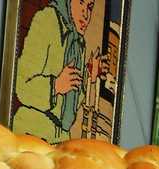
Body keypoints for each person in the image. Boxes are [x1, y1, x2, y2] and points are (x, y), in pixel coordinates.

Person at [12, 0, 100, 142]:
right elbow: (21, 85)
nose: (85, 14)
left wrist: (90, 77)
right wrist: (56, 85)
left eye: (89, 7)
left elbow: (72, 104)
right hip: (32, 131)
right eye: (81, 3)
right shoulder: (48, 20)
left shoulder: (78, 44)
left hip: (61, 137)